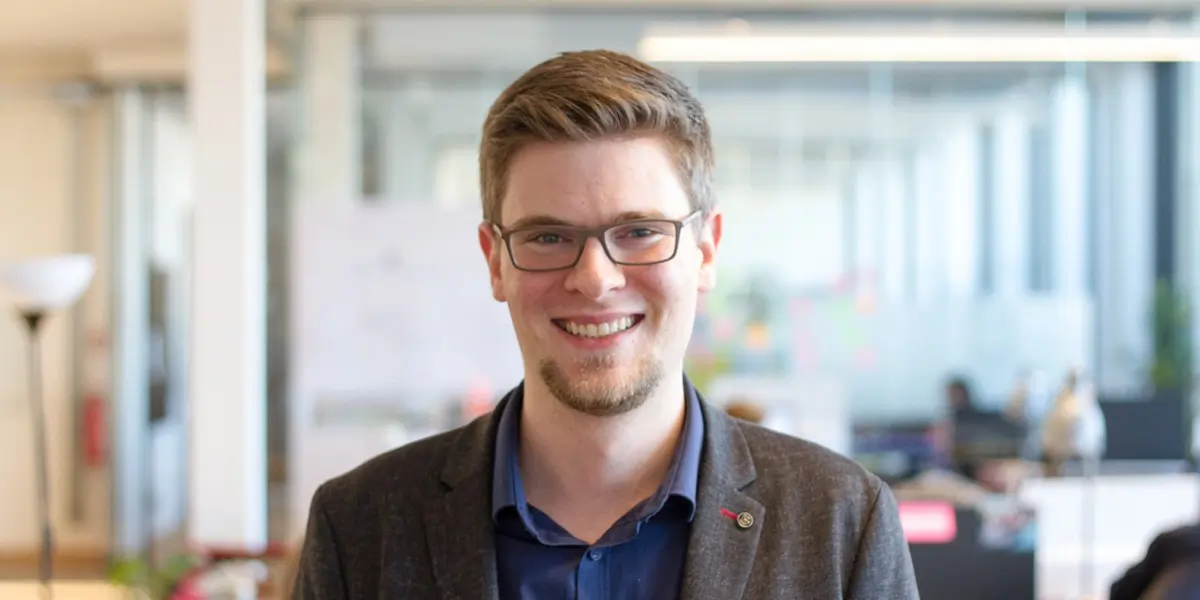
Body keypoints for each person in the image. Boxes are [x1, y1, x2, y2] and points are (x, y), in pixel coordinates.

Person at [292, 49, 918, 600]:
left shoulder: (840, 523)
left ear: (705, 251)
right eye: (546, 236)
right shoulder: (360, 529)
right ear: (494, 261)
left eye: (640, 232)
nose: (595, 279)